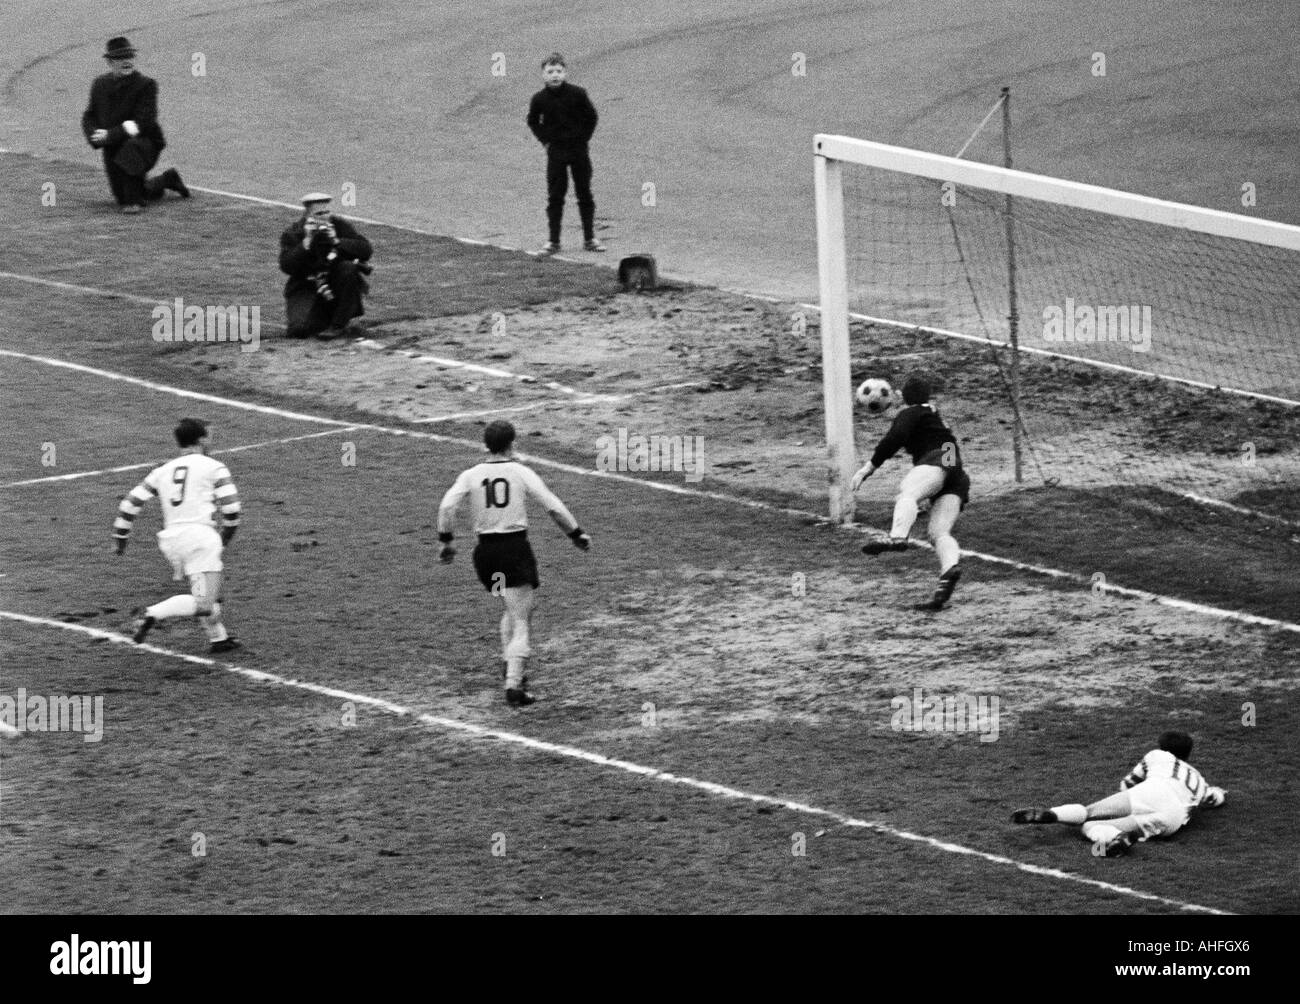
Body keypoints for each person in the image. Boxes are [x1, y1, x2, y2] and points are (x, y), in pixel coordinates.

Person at [437, 421, 592, 706]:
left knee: (511, 606)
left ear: (485, 445)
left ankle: (509, 662)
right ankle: (514, 685)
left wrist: (447, 541)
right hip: (513, 549)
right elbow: (553, 506)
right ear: (512, 444)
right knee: (522, 620)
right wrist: (576, 534)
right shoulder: (521, 472)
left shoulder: (471, 474)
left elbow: (447, 506)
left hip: (485, 555)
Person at [113, 418, 241, 654]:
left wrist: (120, 540)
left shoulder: (162, 471)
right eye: (209, 436)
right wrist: (224, 537)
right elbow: (232, 510)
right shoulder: (213, 466)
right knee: (204, 603)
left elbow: (129, 504)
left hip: (173, 542)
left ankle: (218, 639)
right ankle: (150, 614)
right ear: (202, 440)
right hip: (201, 540)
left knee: (202, 592)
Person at [851, 374, 970, 611]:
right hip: (956, 473)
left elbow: (894, 438)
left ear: (904, 396)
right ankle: (949, 571)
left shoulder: (911, 412)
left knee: (907, 494)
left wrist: (868, 468)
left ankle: (897, 537)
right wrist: (946, 469)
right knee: (939, 533)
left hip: (939, 461)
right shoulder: (933, 415)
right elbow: (949, 444)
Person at [1011, 731, 1227, 857]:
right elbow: (1214, 799)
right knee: (1092, 829)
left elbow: (1129, 783)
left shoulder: (1158, 755)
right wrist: (1220, 792)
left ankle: (1054, 815)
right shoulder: (1199, 779)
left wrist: (1121, 803)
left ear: (1163, 747)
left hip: (1151, 791)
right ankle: (1115, 838)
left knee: (1088, 815)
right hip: (1173, 818)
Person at [81, 36, 189, 214]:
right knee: (121, 196)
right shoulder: (99, 84)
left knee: (130, 152)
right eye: (120, 58)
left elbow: (142, 123)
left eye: (129, 57)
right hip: (113, 145)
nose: (126, 61)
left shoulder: (146, 85)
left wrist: (110, 135)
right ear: (109, 62)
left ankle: (134, 203)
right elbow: (89, 115)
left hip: (145, 143)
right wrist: (94, 134)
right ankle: (168, 179)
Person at [526, 53, 605, 255]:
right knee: (555, 197)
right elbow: (533, 121)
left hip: (578, 151)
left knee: (584, 194)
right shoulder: (539, 99)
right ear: (543, 75)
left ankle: (590, 238)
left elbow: (591, 117)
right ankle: (553, 241)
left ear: (565, 72)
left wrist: (583, 138)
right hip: (556, 153)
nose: (555, 76)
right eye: (550, 72)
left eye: (559, 71)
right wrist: (546, 141)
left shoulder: (578, 94)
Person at [278, 193, 373, 339]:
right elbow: (286, 266)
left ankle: (339, 324)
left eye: (327, 212)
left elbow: (366, 250)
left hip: (336, 282)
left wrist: (337, 241)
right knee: (299, 330)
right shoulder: (294, 232)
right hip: (307, 286)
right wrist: (307, 242)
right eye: (319, 213)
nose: (324, 216)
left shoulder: (338, 225)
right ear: (308, 215)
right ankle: (326, 317)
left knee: (348, 268)